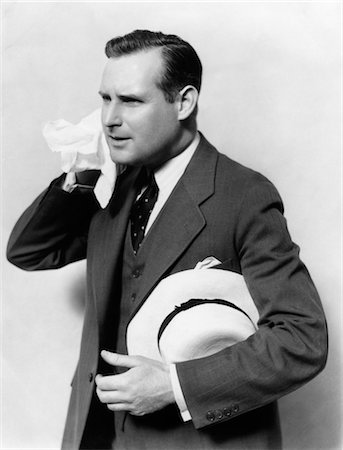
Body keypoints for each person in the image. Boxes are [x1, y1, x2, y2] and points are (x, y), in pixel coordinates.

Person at [7, 30, 328, 450]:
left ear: (184, 102)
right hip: (102, 437)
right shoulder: (111, 184)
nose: (109, 119)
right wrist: (83, 169)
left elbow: (301, 339)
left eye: (131, 101)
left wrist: (176, 385)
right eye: (105, 99)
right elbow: (30, 251)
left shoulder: (243, 194)